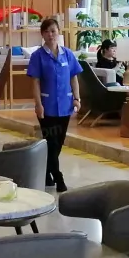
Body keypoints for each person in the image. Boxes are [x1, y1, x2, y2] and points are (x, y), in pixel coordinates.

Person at [27, 17, 82, 192]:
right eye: (47, 31)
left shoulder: (68, 54)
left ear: (59, 32)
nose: (50, 35)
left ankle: (45, 173)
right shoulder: (37, 56)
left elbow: (74, 77)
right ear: (42, 34)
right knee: (51, 142)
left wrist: (77, 98)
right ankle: (59, 178)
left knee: (58, 144)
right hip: (47, 107)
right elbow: (35, 82)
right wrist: (38, 104)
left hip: (65, 106)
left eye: (53, 31)